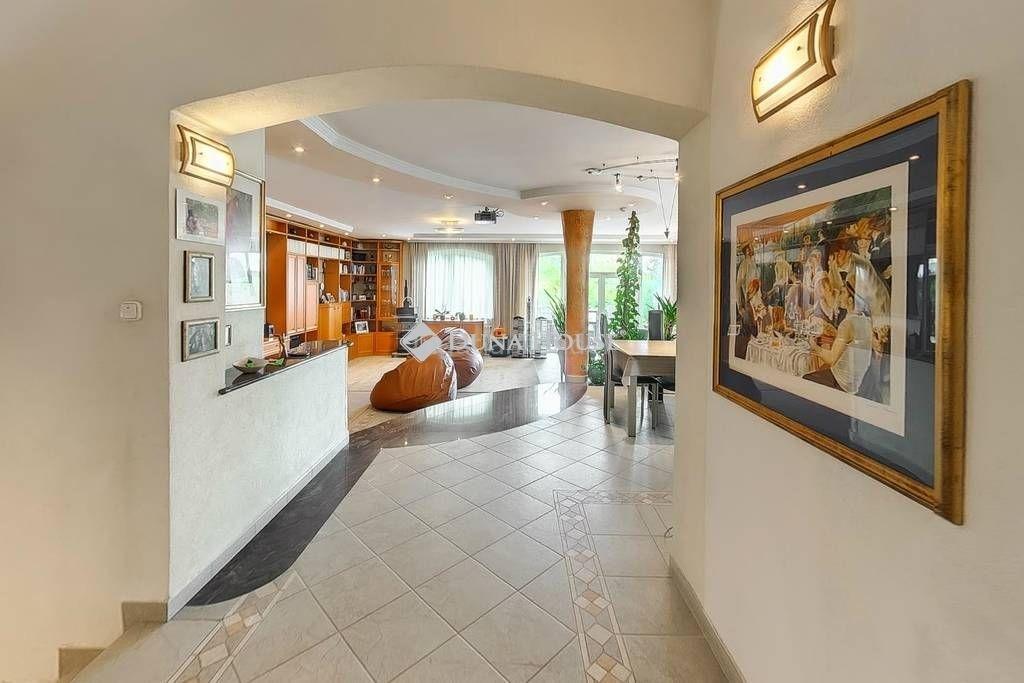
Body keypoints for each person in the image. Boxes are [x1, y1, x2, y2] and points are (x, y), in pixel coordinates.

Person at [804, 278, 874, 394]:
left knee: (805, 378)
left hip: (842, 382)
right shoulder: (866, 320)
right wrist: (836, 333)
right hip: (857, 381)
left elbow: (831, 359)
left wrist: (813, 345)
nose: (839, 296)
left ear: (850, 300)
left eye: (842, 293)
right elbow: (852, 341)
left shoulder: (847, 323)